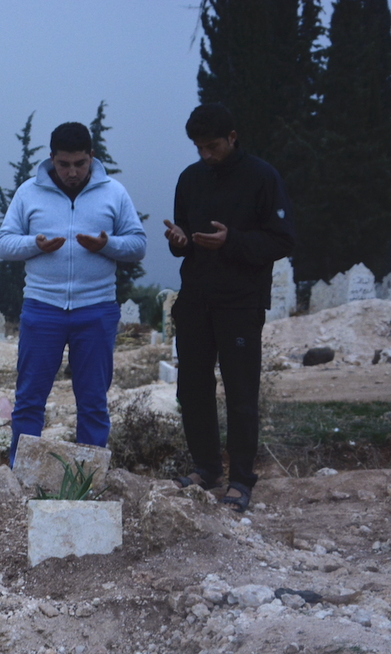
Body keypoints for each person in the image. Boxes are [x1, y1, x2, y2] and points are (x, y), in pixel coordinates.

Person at [163, 103, 295, 513]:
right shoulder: (190, 179)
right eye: (199, 148)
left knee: (240, 392)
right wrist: (179, 241)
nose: (206, 154)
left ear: (232, 138)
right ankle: (206, 469)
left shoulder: (262, 177)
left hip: (241, 301)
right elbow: (183, 236)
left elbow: (282, 239)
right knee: (192, 389)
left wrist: (232, 240)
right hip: (195, 299)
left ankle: (240, 479)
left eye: (213, 146)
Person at [0, 122, 146, 467]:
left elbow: (138, 245)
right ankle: (22, 473)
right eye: (64, 164)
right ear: (51, 159)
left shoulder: (114, 193)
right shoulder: (29, 192)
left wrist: (107, 244)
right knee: (30, 398)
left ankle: (88, 478)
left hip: (96, 309)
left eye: (80, 163)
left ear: (92, 156)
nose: (73, 172)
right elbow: (4, 244)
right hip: (42, 307)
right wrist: (34, 244)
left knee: (92, 401)